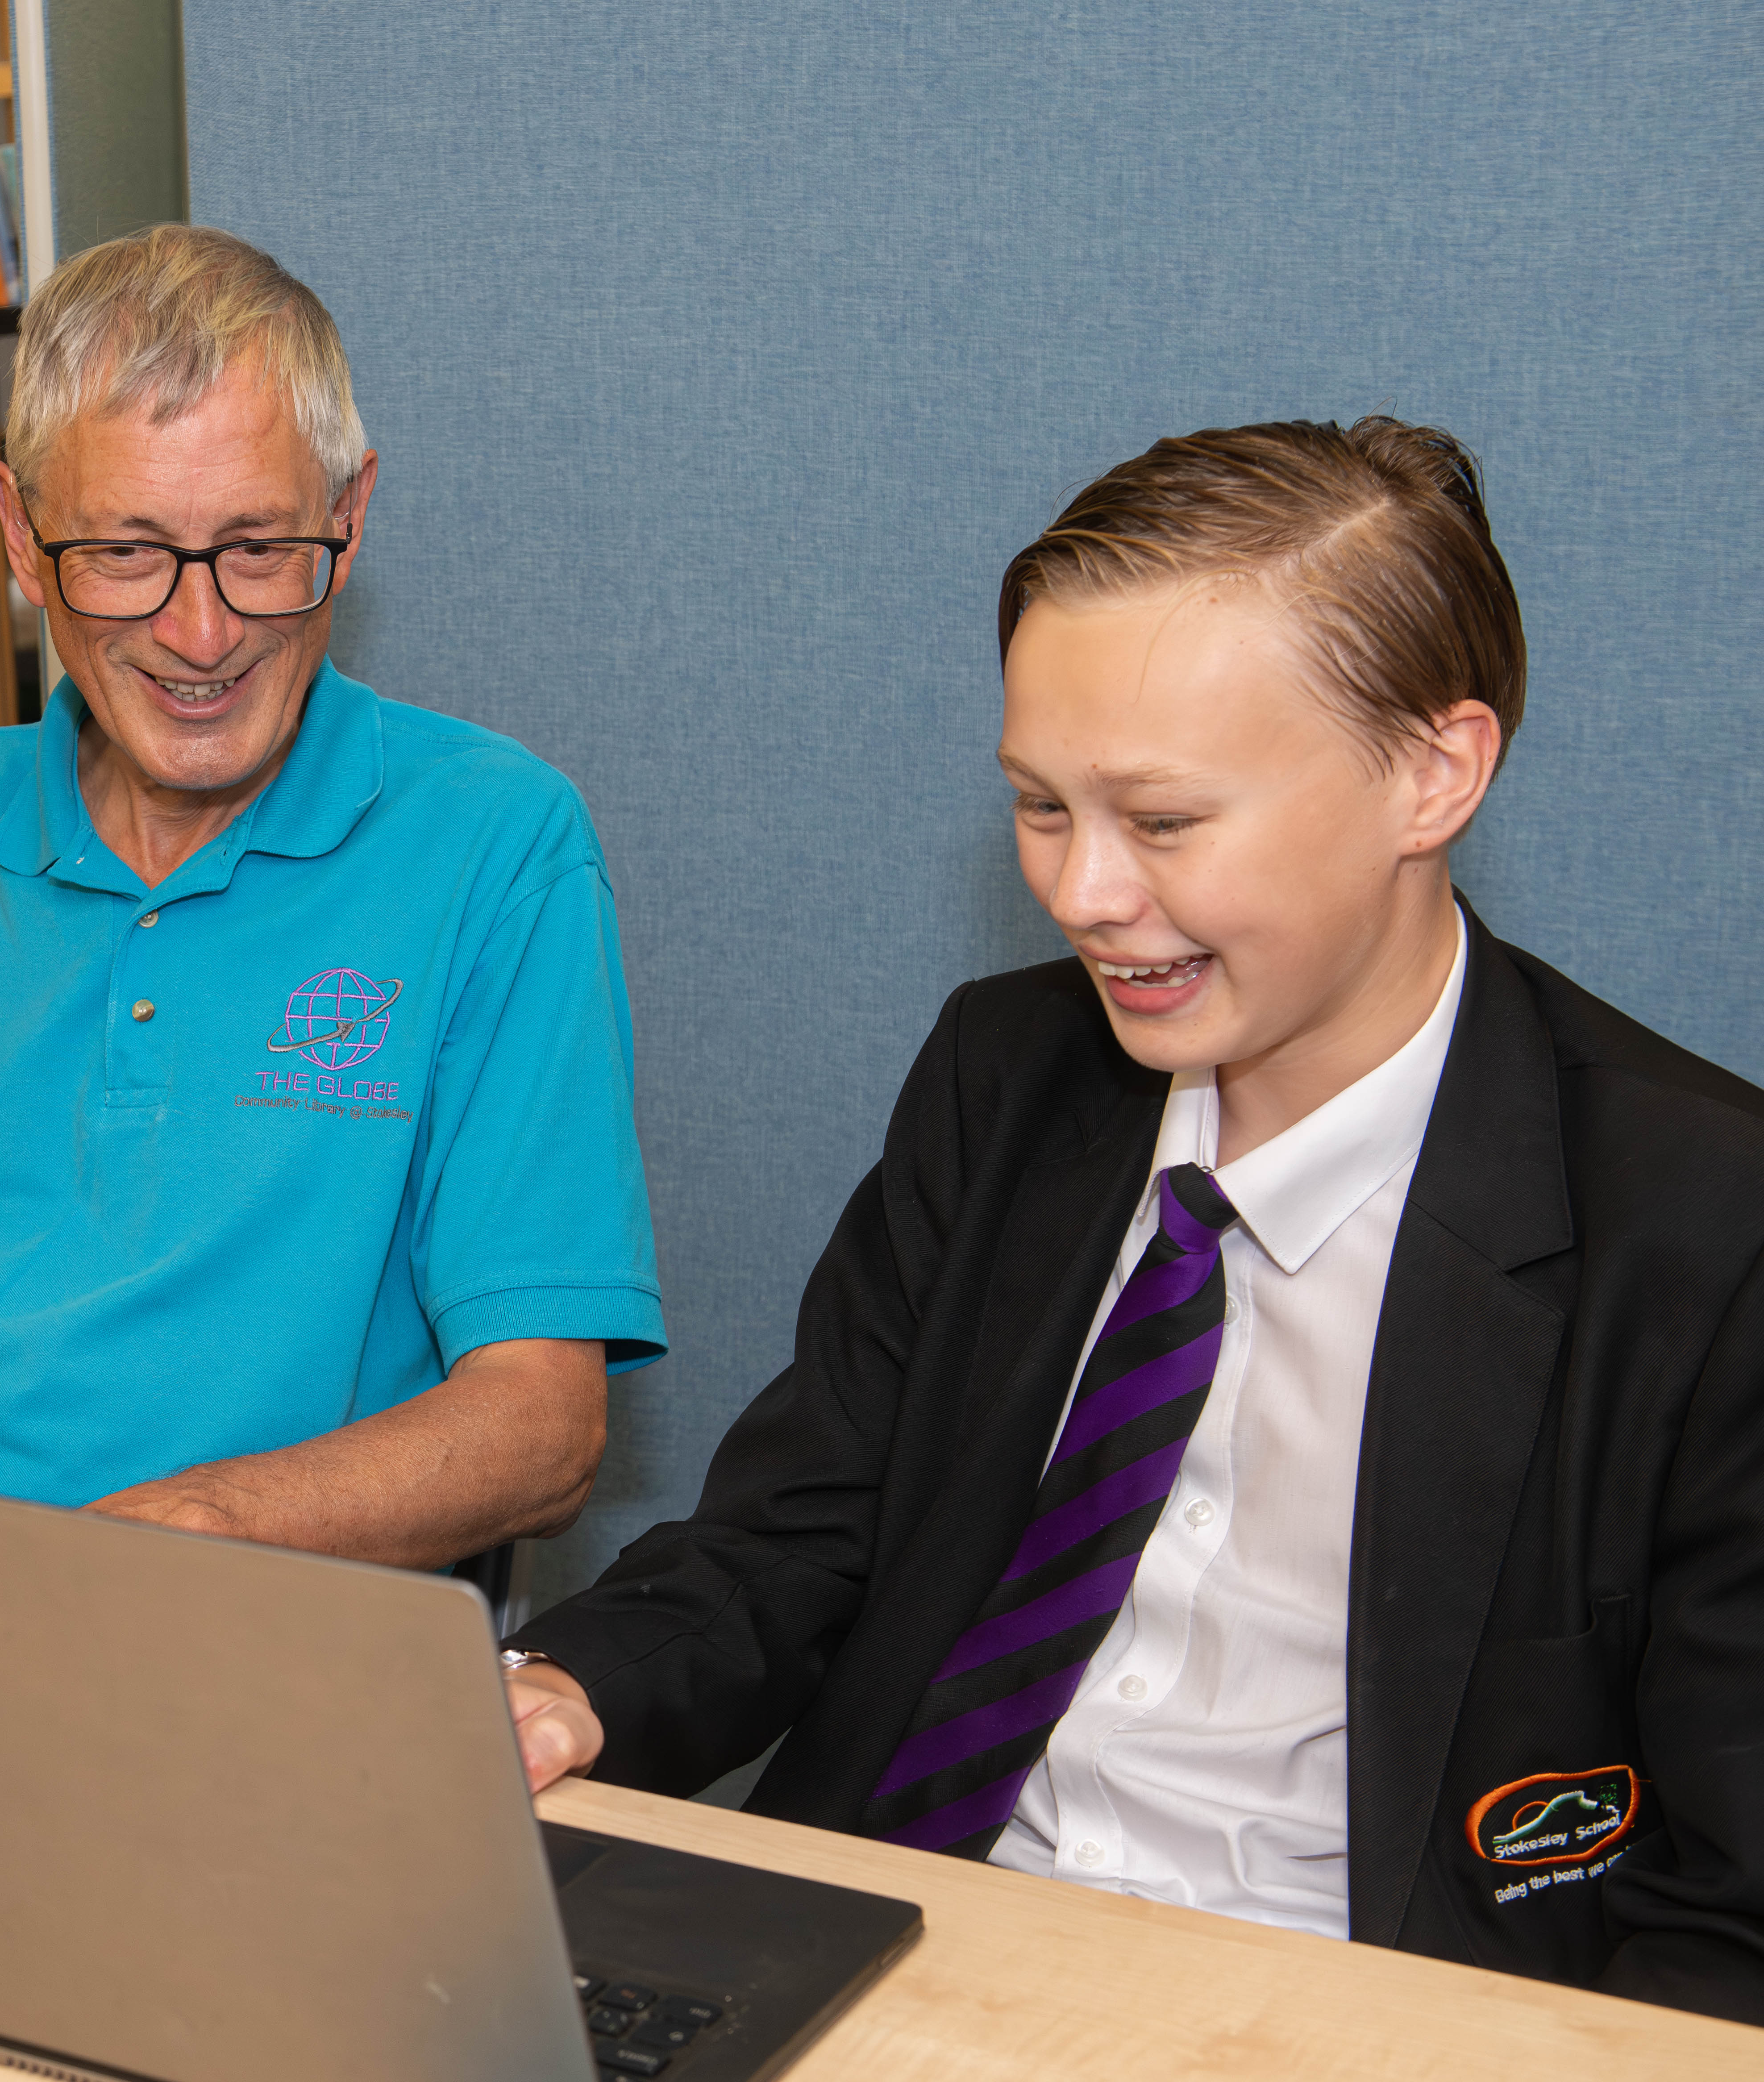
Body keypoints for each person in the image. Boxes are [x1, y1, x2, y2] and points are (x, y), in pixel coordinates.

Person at [501, 418, 1764, 2022]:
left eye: (1163, 823)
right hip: (898, 1961)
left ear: (1431, 775)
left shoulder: (1704, 1231)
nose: (1083, 892)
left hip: (1371, 2017)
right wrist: (557, 1694)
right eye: (1039, 807)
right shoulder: (1007, 1077)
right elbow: (803, 1535)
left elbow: (1728, 1922)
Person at [0, 224, 665, 1569]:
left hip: (225, 1634)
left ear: (348, 521)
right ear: (20, 533)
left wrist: (167, 1543)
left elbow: (540, 1428)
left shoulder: (493, 844)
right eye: (123, 552)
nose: (199, 634)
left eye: (256, 546)